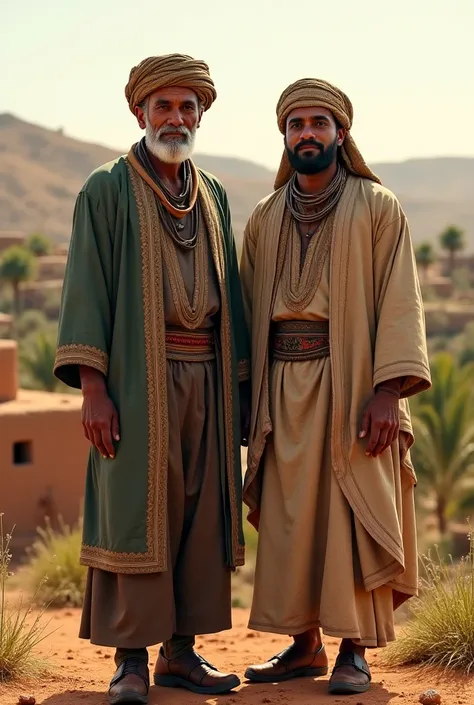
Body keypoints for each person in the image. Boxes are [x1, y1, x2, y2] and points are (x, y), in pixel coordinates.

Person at [53, 53, 250, 705]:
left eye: (188, 107)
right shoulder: (105, 189)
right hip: (139, 378)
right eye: (162, 106)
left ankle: (182, 655)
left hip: (208, 377)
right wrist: (94, 388)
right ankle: (130, 660)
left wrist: (241, 395)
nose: (176, 117)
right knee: (140, 512)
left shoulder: (215, 194)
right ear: (138, 112)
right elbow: (87, 289)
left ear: (201, 115)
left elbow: (236, 298)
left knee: (198, 513)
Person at [240, 78, 431, 696]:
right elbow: (244, 315)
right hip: (281, 392)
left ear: (341, 133)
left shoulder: (378, 206)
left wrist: (387, 393)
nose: (307, 134)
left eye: (319, 123)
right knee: (295, 521)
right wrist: (245, 400)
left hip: (352, 388)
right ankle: (303, 647)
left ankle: (354, 651)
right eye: (296, 124)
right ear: (284, 136)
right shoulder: (265, 219)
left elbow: (400, 301)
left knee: (352, 515)